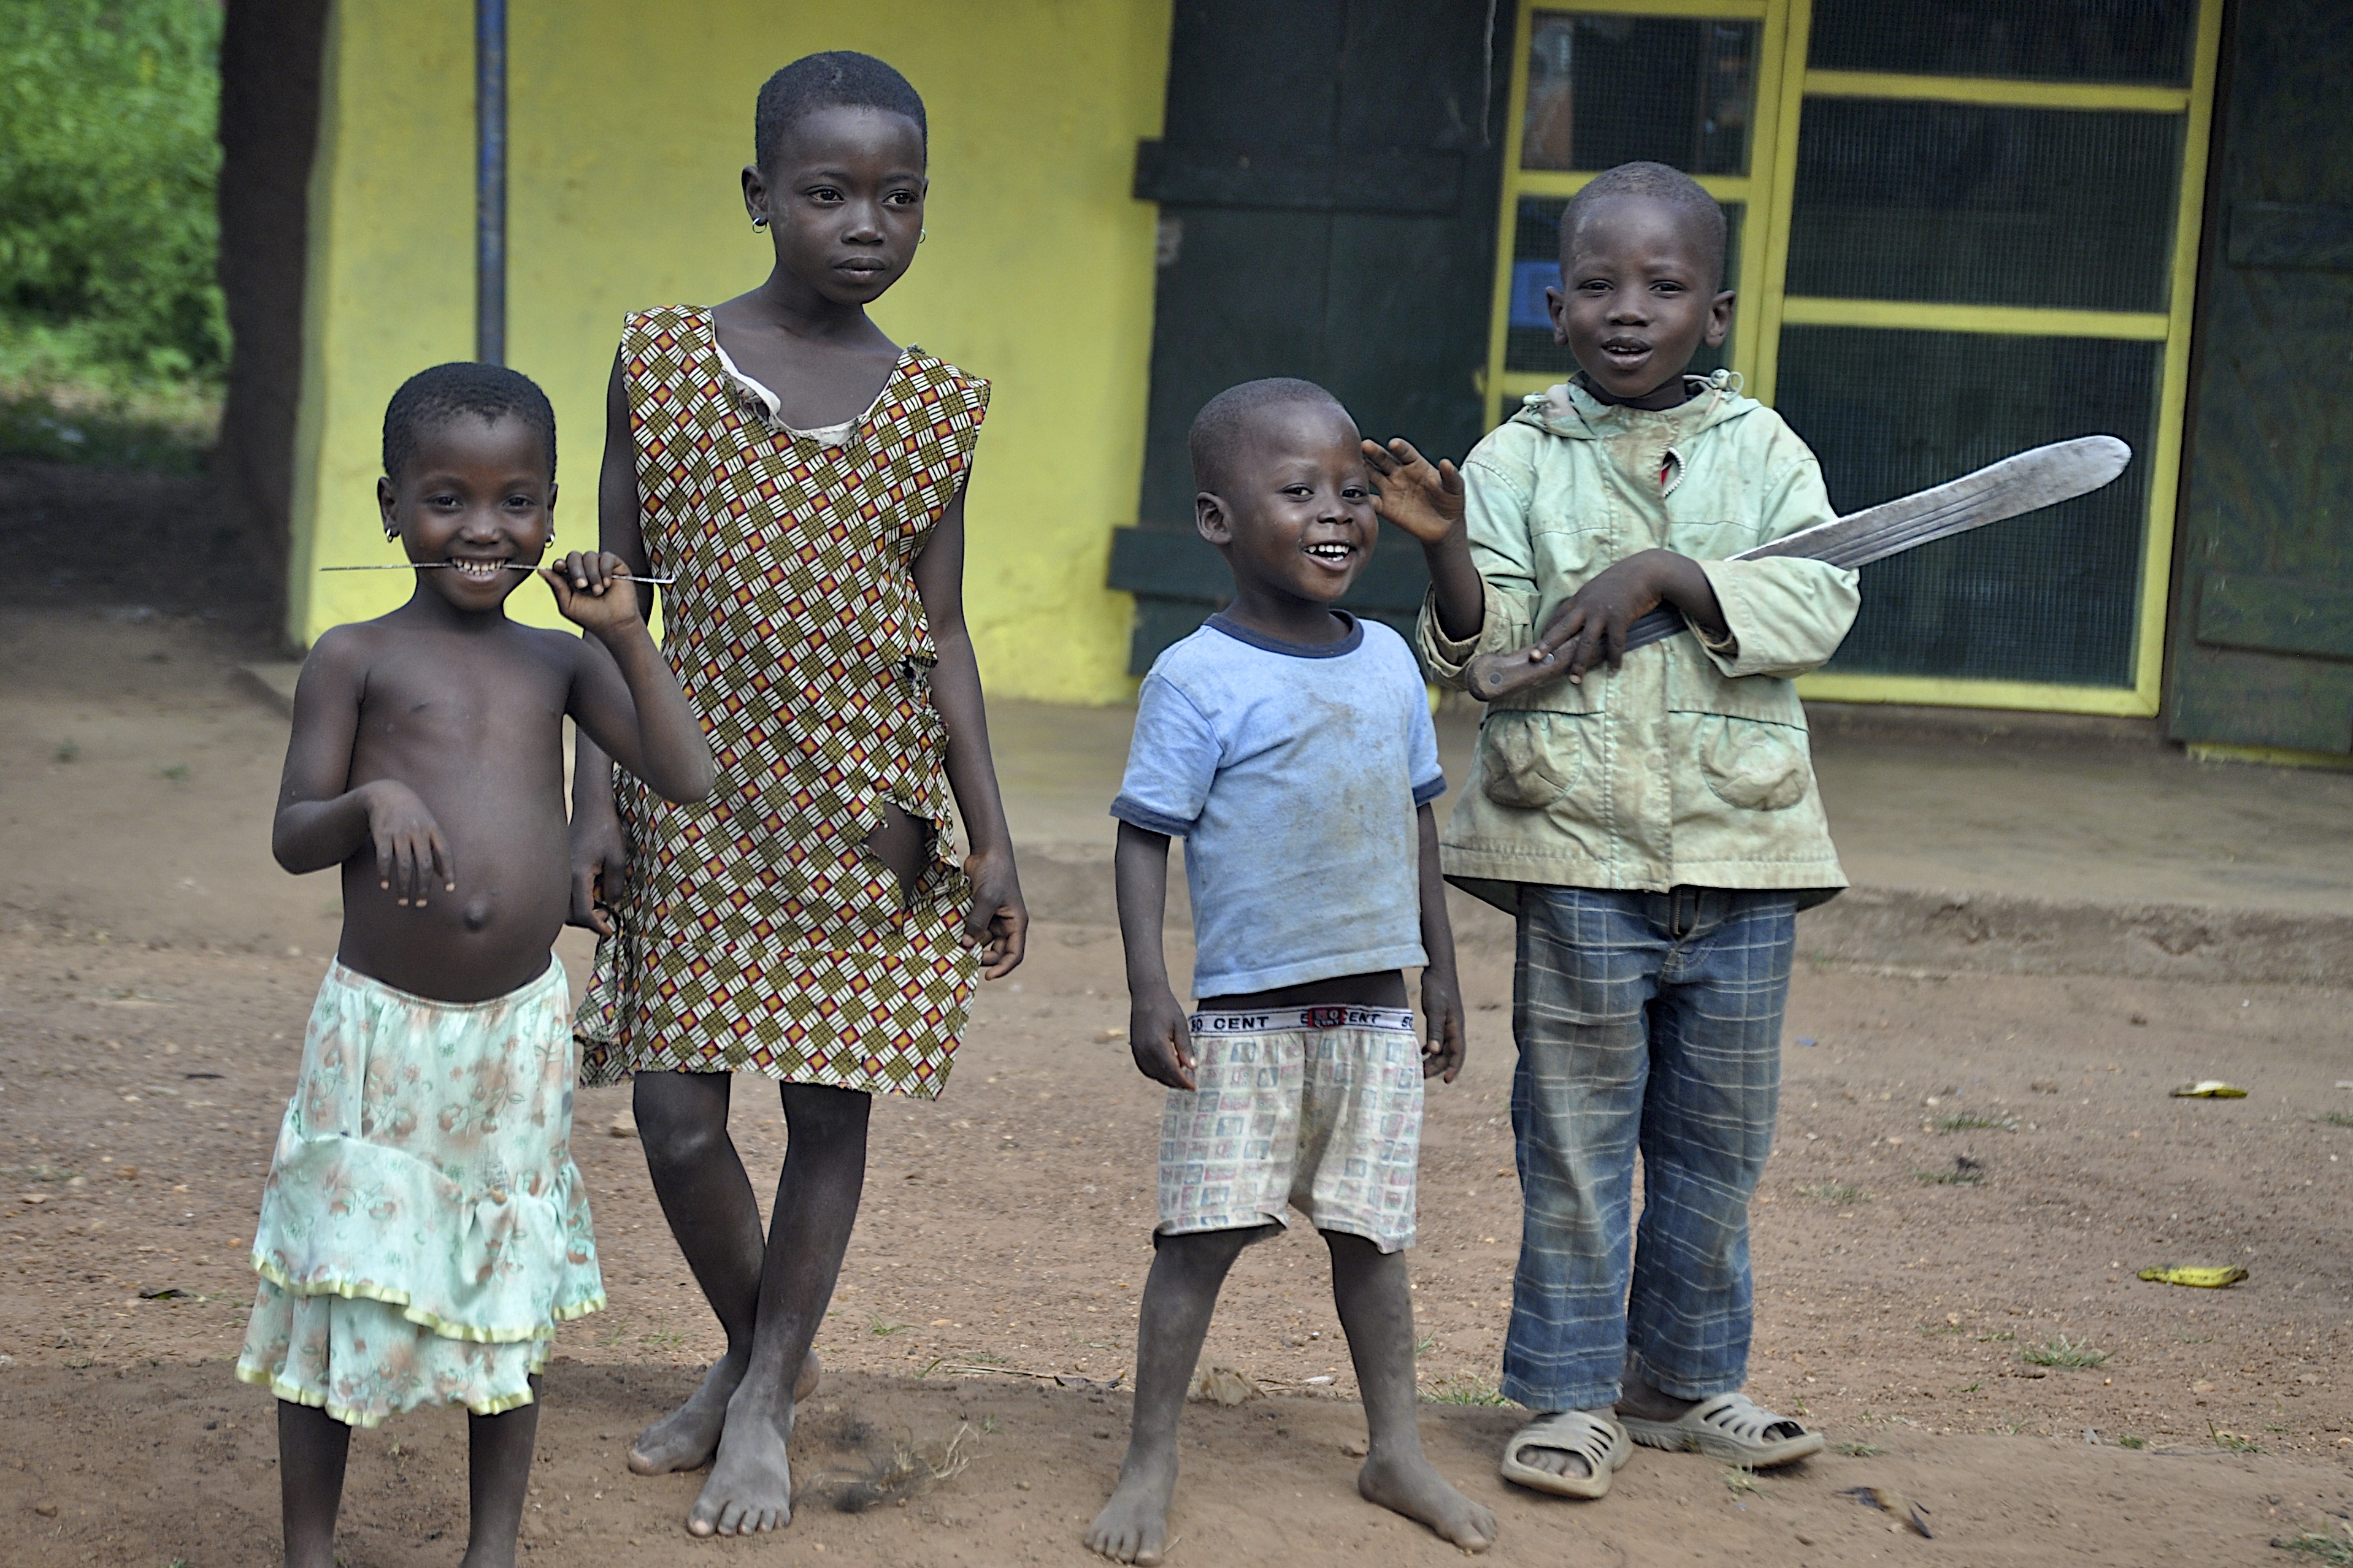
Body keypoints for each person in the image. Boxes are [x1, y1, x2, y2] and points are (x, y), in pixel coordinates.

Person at [563, 50, 1028, 1537]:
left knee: (829, 1116)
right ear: (760, 195)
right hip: (690, 804)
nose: (864, 224)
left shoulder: (939, 408)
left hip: (865, 810)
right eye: (827, 193)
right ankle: (760, 1346)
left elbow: (942, 632)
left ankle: (756, 1394)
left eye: (900, 199)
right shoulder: (660, 359)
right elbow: (609, 602)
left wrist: (992, 836)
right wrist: (593, 805)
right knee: (679, 1119)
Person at [1366, 161, 1856, 1498]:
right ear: (1553, 303)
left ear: (1716, 310)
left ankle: (1684, 1383)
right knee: (1576, 1134)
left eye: (1663, 285)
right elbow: (1483, 660)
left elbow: (1820, 605)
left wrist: (1668, 575)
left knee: (1719, 1139)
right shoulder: (1516, 460)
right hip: (1575, 847)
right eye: (1596, 284)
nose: (1627, 309)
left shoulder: (1767, 452)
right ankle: (1574, 1393)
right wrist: (1446, 555)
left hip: (1745, 852)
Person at [238, 362, 714, 1568]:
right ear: (390, 505)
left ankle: (491, 1546)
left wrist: (621, 635)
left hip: (511, 1032)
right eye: (447, 499)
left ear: (551, 512)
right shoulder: (352, 657)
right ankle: (308, 1545)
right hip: (378, 1032)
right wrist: (371, 794)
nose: (484, 530)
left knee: (506, 1278)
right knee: (339, 1273)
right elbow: (296, 837)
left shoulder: (557, 665)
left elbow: (688, 773)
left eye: (516, 503)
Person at [1085, 378, 1497, 1564]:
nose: (1338, 513)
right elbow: (1142, 833)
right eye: (1298, 490)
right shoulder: (1195, 676)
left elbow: (1418, 825)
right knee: (1199, 1239)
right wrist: (1148, 986)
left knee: (1373, 1241)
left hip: (1373, 1017)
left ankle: (1395, 1447)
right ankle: (1149, 1455)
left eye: (1353, 491)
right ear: (1218, 521)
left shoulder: (1383, 663)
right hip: (1242, 1029)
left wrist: (1443, 973)